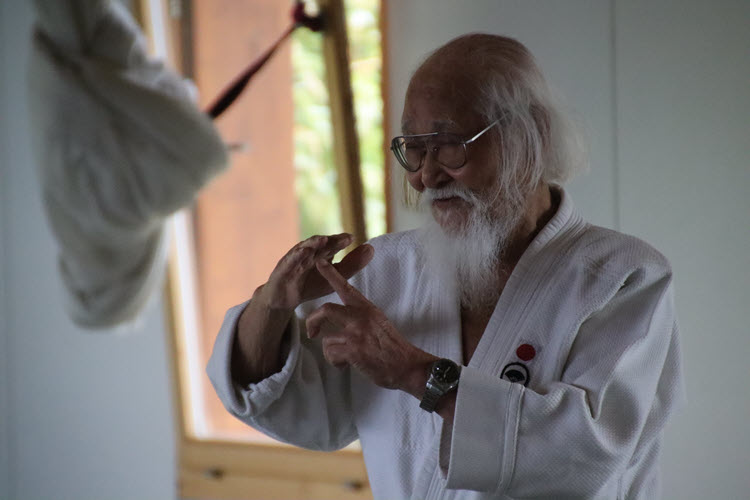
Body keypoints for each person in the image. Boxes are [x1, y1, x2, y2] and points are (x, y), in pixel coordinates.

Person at [207, 33, 684, 500]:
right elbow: (299, 410)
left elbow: (587, 453)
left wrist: (414, 371)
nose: (426, 175)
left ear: (532, 136)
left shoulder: (624, 277)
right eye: (414, 148)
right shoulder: (386, 269)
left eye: (450, 144)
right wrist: (272, 304)